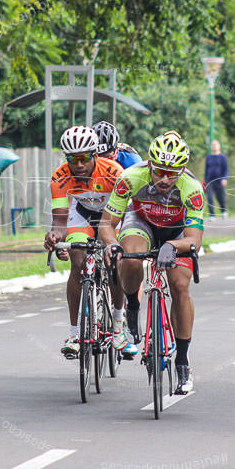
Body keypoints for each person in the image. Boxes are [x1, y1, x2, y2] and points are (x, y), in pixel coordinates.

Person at [100, 131, 205, 395]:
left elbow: (194, 239)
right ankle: (133, 308)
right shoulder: (130, 178)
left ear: (182, 170)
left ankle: (182, 361)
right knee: (132, 256)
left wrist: (173, 246)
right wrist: (112, 244)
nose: (165, 179)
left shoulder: (192, 189)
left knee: (180, 286)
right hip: (141, 221)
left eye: (172, 173)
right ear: (149, 164)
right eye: (159, 171)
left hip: (176, 233)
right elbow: (107, 223)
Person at [43, 126, 135, 359]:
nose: (80, 164)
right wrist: (55, 236)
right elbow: (61, 220)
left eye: (85, 157)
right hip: (82, 215)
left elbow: (127, 213)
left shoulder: (114, 173)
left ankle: (117, 328)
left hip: (112, 216)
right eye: (73, 159)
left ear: (95, 154)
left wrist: (115, 244)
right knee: (78, 260)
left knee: (115, 263)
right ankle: (75, 334)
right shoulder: (60, 177)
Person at [93, 120, 144, 347]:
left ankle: (127, 316)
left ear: (117, 150)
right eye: (98, 157)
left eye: (109, 156)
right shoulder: (86, 160)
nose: (104, 162)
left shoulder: (131, 161)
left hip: (126, 206)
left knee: (129, 259)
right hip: (97, 204)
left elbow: (137, 205)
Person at [203, 139, 228, 219]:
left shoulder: (222, 157)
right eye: (213, 145)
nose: (214, 146)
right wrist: (205, 181)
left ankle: (224, 211)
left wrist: (225, 178)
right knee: (210, 198)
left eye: (215, 145)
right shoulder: (209, 157)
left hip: (219, 181)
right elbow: (206, 169)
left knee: (221, 197)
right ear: (211, 147)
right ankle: (212, 215)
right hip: (210, 181)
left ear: (219, 146)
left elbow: (225, 169)